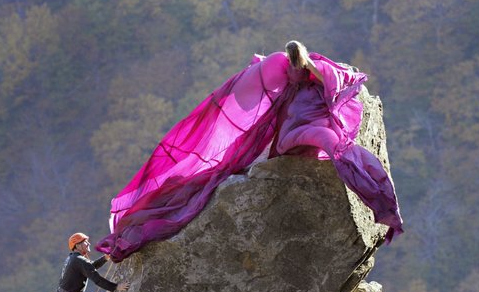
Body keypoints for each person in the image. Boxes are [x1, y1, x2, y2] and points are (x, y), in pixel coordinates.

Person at [96, 41, 403, 263]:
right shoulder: (303, 73)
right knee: (204, 183)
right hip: (288, 133)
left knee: (204, 182)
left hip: (288, 133)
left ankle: (379, 202)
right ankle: (382, 204)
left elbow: (252, 94)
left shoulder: (296, 71)